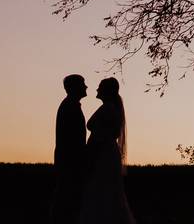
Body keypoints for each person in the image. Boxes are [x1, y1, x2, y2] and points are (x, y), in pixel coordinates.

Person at [80, 77, 136, 224]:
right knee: (105, 191)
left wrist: (95, 149)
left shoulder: (108, 108)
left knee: (102, 191)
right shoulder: (111, 107)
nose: (97, 89)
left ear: (106, 91)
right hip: (105, 153)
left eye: (100, 87)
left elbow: (109, 132)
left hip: (104, 155)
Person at [51, 74, 88, 224]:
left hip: (70, 160)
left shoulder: (70, 105)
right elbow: (71, 138)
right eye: (83, 84)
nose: (86, 87)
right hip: (70, 161)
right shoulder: (69, 106)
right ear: (73, 87)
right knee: (67, 198)